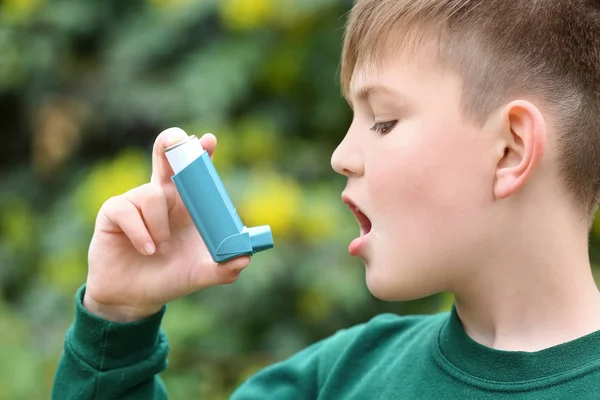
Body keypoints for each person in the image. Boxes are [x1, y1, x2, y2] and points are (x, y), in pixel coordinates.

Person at [52, 0, 600, 398]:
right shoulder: (340, 378)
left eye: (383, 121)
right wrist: (117, 327)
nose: (341, 155)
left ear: (509, 150)